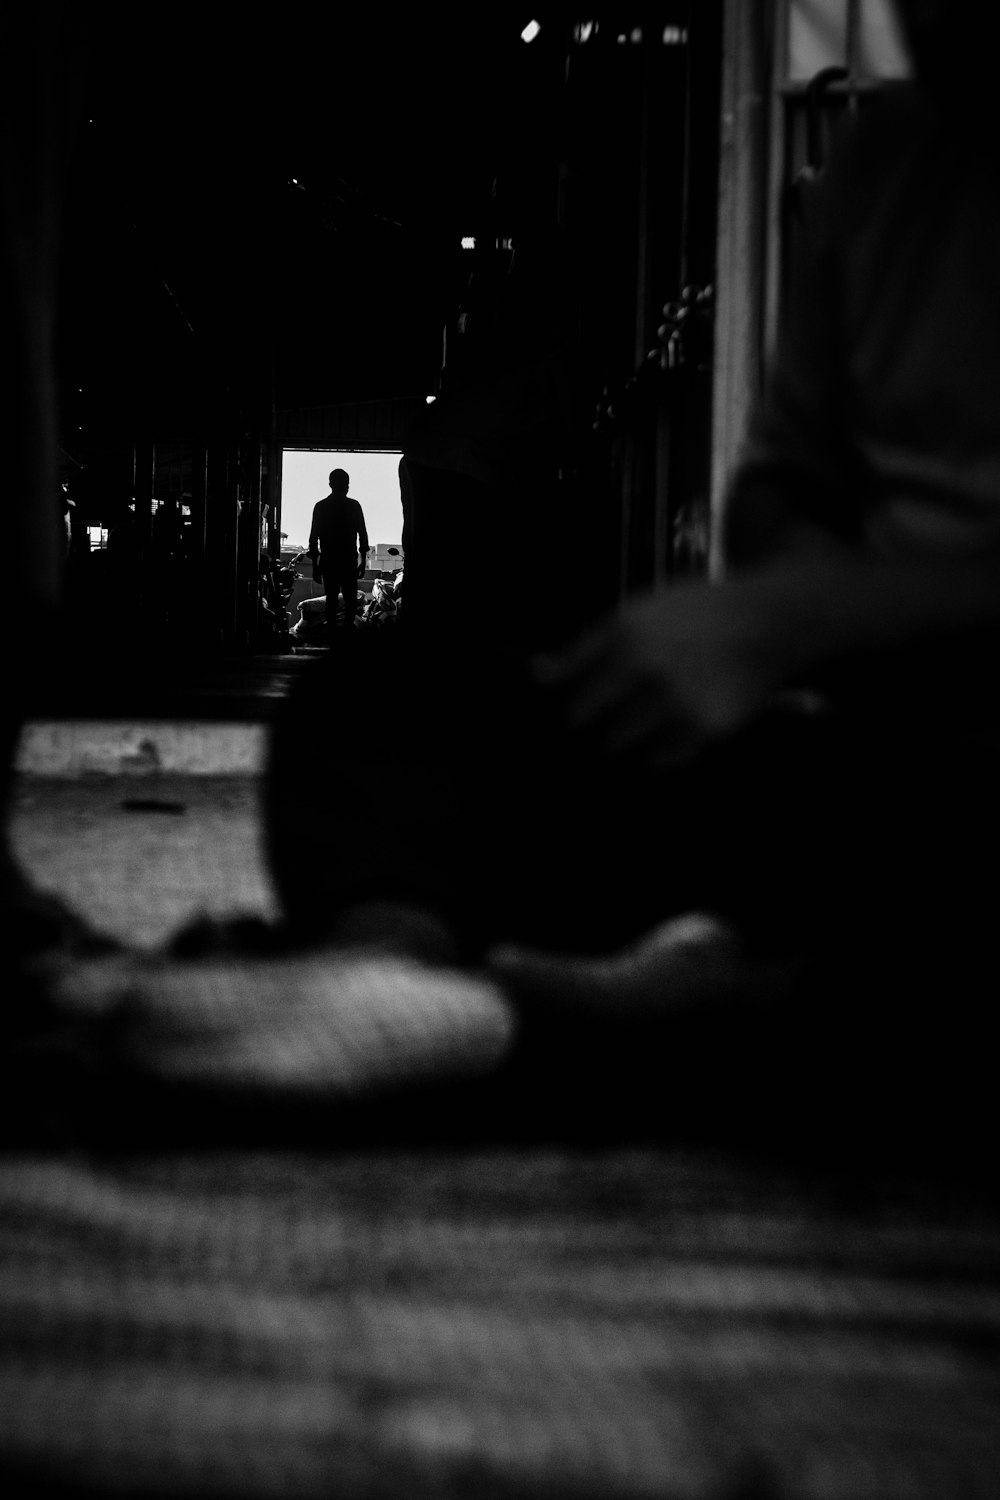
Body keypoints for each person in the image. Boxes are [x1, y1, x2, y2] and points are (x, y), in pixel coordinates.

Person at [307, 469, 369, 633]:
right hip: (348, 561)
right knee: (350, 602)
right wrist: (363, 561)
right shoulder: (354, 506)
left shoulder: (321, 506)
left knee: (331, 601)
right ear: (347, 485)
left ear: (330, 484)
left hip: (329, 561)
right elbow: (362, 534)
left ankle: (333, 637)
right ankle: (346, 634)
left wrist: (315, 565)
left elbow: (314, 538)